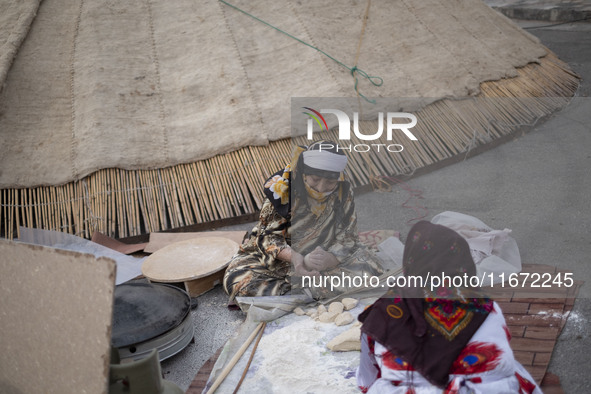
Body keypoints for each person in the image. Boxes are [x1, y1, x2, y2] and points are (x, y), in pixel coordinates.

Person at [356, 221, 541, 393]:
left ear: (411, 260)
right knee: (508, 369)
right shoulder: (484, 306)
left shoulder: (386, 308)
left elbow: (366, 377)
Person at [223, 140, 384, 301]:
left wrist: (330, 258)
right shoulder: (283, 190)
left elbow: (348, 234)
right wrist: (298, 259)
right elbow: (268, 238)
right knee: (237, 280)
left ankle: (297, 296)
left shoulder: (343, 190)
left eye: (330, 182)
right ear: (304, 174)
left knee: (370, 266)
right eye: (315, 180)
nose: (321, 188)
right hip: (280, 260)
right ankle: (310, 291)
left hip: (325, 254)